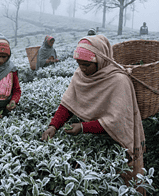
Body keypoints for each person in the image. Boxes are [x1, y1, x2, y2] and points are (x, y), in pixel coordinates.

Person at [40, 35, 146, 195]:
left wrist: (83, 127)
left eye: (87, 65)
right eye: (79, 64)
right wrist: (53, 126)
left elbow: (116, 122)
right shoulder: (80, 76)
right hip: (94, 143)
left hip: (117, 143)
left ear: (100, 60)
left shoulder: (118, 81)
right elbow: (68, 103)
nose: (82, 68)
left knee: (123, 187)